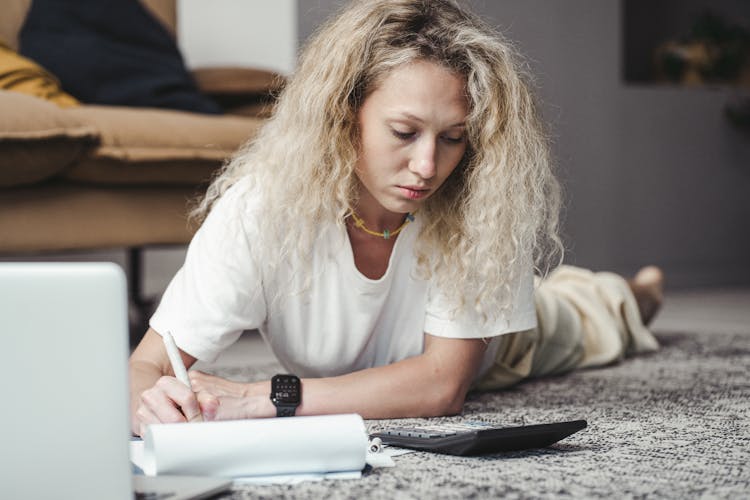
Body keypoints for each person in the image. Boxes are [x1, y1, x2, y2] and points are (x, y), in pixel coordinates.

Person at [129, 0, 663, 437]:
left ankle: (634, 297)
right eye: (404, 133)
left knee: (581, 316)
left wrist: (262, 397)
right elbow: (145, 367)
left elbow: (440, 387)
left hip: (502, 348)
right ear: (344, 114)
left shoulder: (479, 205)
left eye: (453, 138)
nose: (428, 167)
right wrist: (149, 405)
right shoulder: (261, 209)